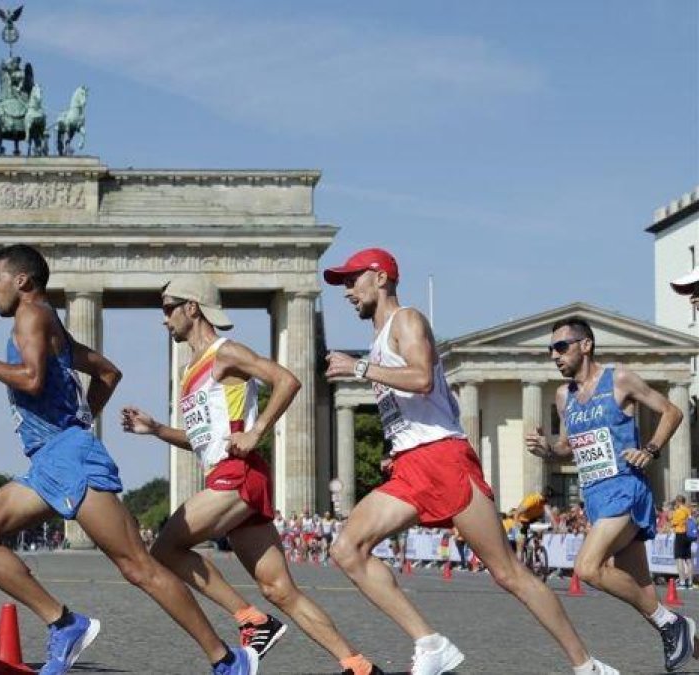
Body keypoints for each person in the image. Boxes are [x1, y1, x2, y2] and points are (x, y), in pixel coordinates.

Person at [0, 245, 257, 674]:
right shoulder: (48, 321)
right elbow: (108, 373)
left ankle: (227, 659)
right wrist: (81, 419)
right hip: (50, 459)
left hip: (69, 458)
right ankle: (64, 623)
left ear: (22, 281)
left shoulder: (32, 316)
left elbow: (33, 381)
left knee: (139, 567)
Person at [322, 248, 616, 675]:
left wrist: (359, 369)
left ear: (380, 277)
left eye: (352, 280)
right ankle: (430, 642)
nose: (347, 291)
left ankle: (587, 665)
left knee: (508, 573)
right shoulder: (379, 338)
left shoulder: (407, 320)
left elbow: (422, 378)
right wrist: (399, 448)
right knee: (347, 548)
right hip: (412, 465)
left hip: (444, 460)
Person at [120, 276, 379, 675]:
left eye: (168, 307)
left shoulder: (226, 353)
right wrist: (156, 430)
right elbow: (204, 440)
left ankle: (250, 620)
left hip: (237, 474)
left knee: (165, 548)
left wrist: (257, 431)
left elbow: (287, 380)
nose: (163, 317)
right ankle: (358, 665)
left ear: (193, 307)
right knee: (279, 589)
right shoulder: (193, 368)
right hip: (232, 473)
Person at [525, 317, 694, 672]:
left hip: (625, 488)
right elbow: (568, 447)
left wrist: (650, 448)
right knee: (644, 596)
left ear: (585, 345)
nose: (554, 356)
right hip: (596, 497)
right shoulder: (563, 396)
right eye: (550, 350)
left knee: (588, 568)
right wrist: (548, 450)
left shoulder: (618, 378)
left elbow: (672, 411)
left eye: (561, 347)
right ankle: (685, 636)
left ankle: (674, 622)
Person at [671, 496, 694, 589]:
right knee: (688, 559)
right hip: (688, 535)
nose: (675, 503)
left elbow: (674, 523)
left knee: (679, 558)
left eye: (676, 502)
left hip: (680, 534)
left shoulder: (678, 511)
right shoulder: (688, 510)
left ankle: (682, 582)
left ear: (678, 501)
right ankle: (690, 582)